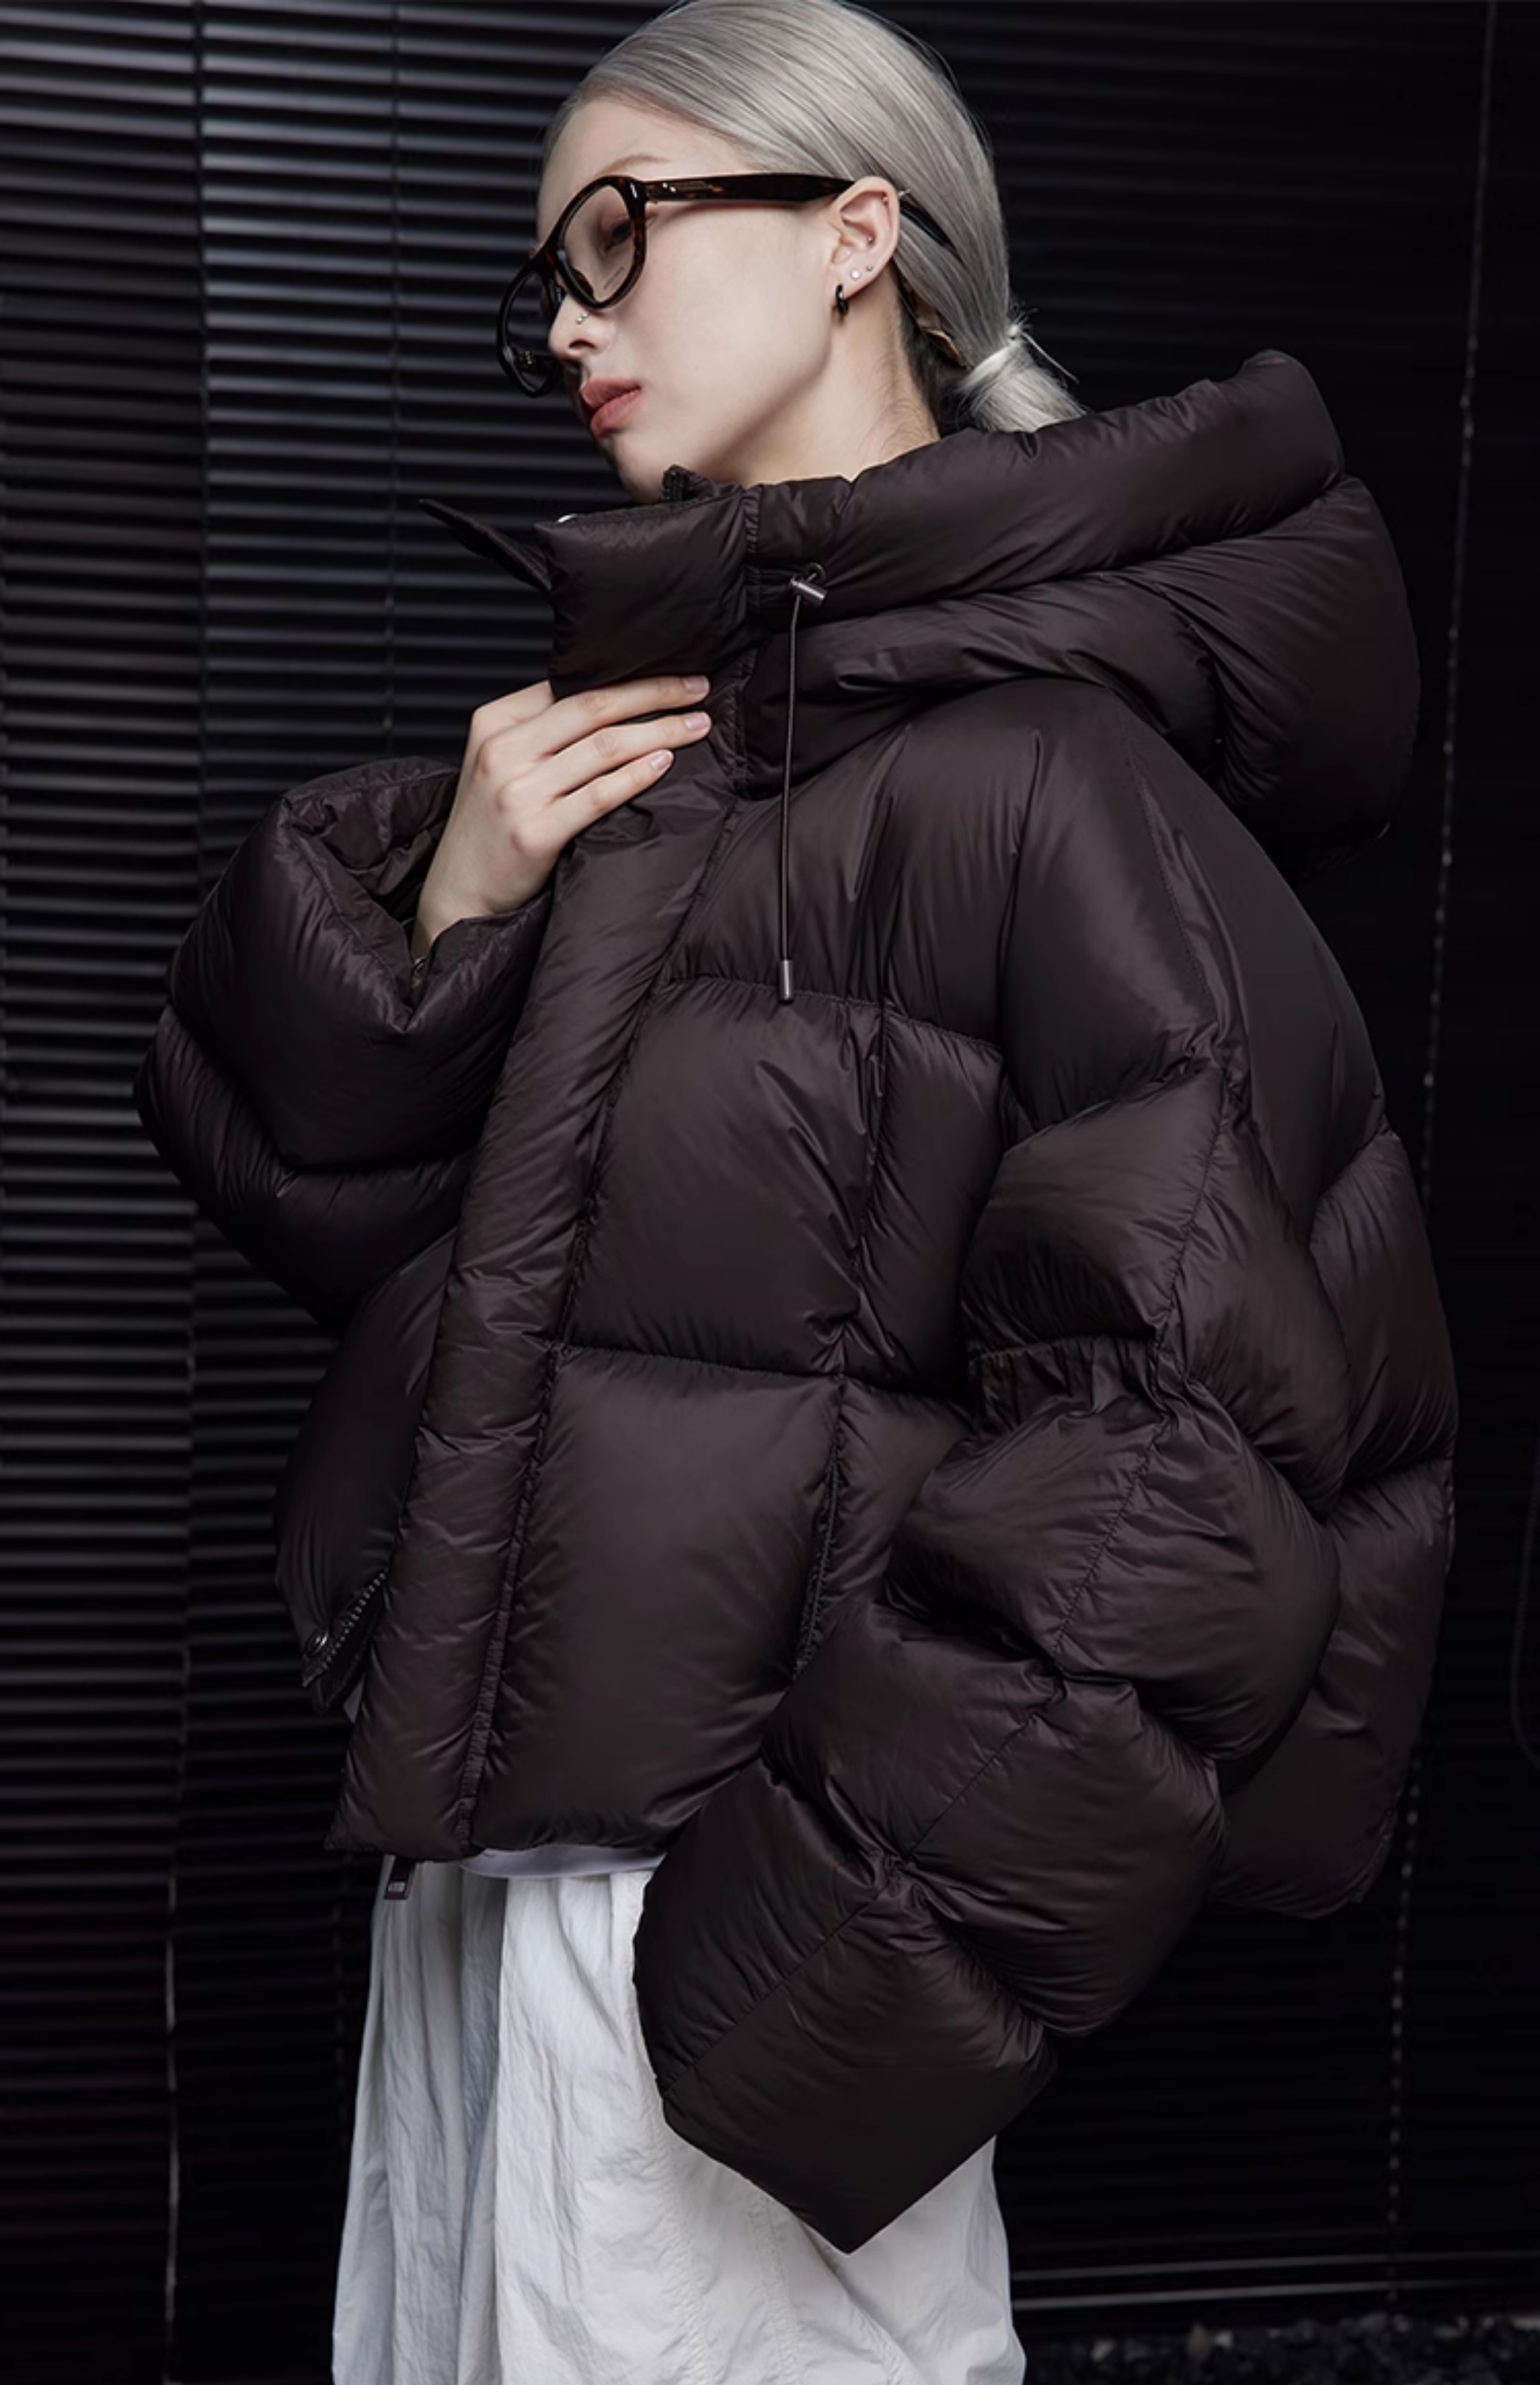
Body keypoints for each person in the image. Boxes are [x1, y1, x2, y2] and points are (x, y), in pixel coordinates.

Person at [130, 0, 1459, 2379]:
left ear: (858, 235)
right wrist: (449, 912)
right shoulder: (671, 770)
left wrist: (814, 1974)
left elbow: (1196, 1466)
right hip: (490, 1909)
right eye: (545, 277)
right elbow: (396, 1269)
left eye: (617, 236)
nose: (567, 324)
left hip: (709, 1956)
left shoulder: (1043, 780)